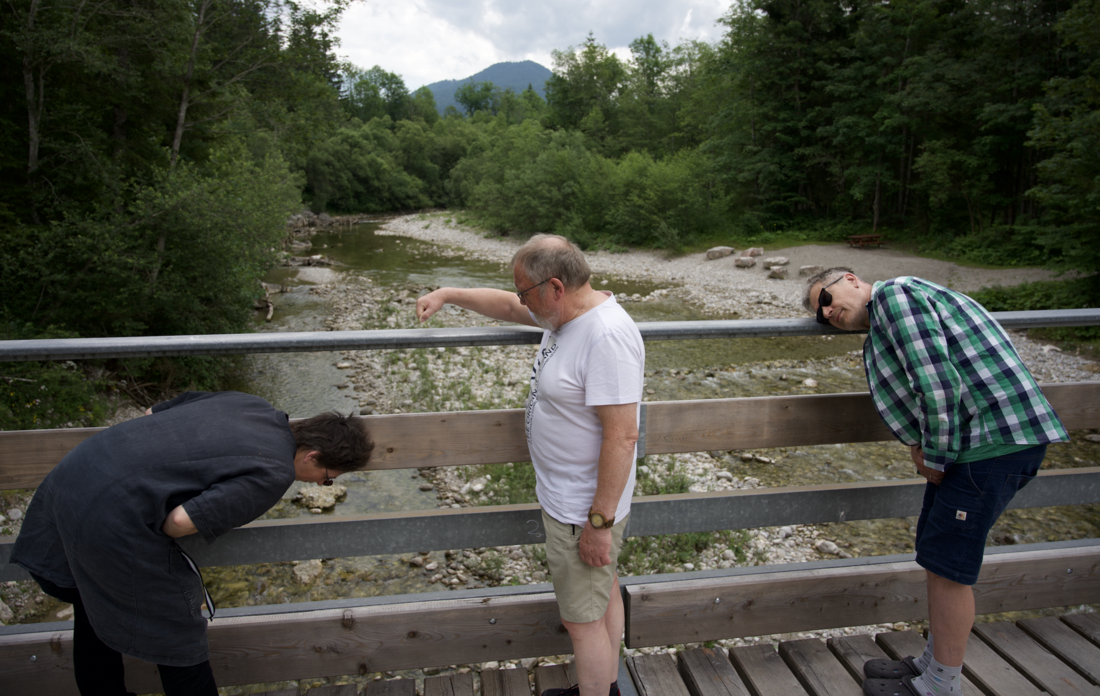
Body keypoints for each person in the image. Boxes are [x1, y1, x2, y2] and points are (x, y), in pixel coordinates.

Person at [803, 269, 1068, 696]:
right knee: (936, 553)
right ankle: (933, 663)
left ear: (851, 280)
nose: (827, 313)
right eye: (821, 314)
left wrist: (935, 456)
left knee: (948, 569)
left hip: (991, 442)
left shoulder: (896, 297)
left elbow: (938, 384)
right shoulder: (892, 313)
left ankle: (941, 684)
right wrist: (922, 446)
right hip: (978, 443)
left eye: (826, 299)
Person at [11, 390, 375, 696]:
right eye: (326, 478)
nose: (319, 485)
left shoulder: (253, 405)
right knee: (179, 633)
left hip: (73, 477)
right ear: (312, 456)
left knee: (92, 604)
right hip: (112, 518)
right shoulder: (275, 470)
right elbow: (178, 523)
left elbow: (152, 413)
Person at [417, 234, 644, 696]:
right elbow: (505, 306)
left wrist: (598, 523)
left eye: (526, 291)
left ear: (555, 287)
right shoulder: (565, 316)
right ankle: (607, 687)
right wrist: (447, 294)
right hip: (572, 500)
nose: (521, 300)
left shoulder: (606, 335)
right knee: (601, 593)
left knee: (579, 620)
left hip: (582, 507)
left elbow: (623, 436)